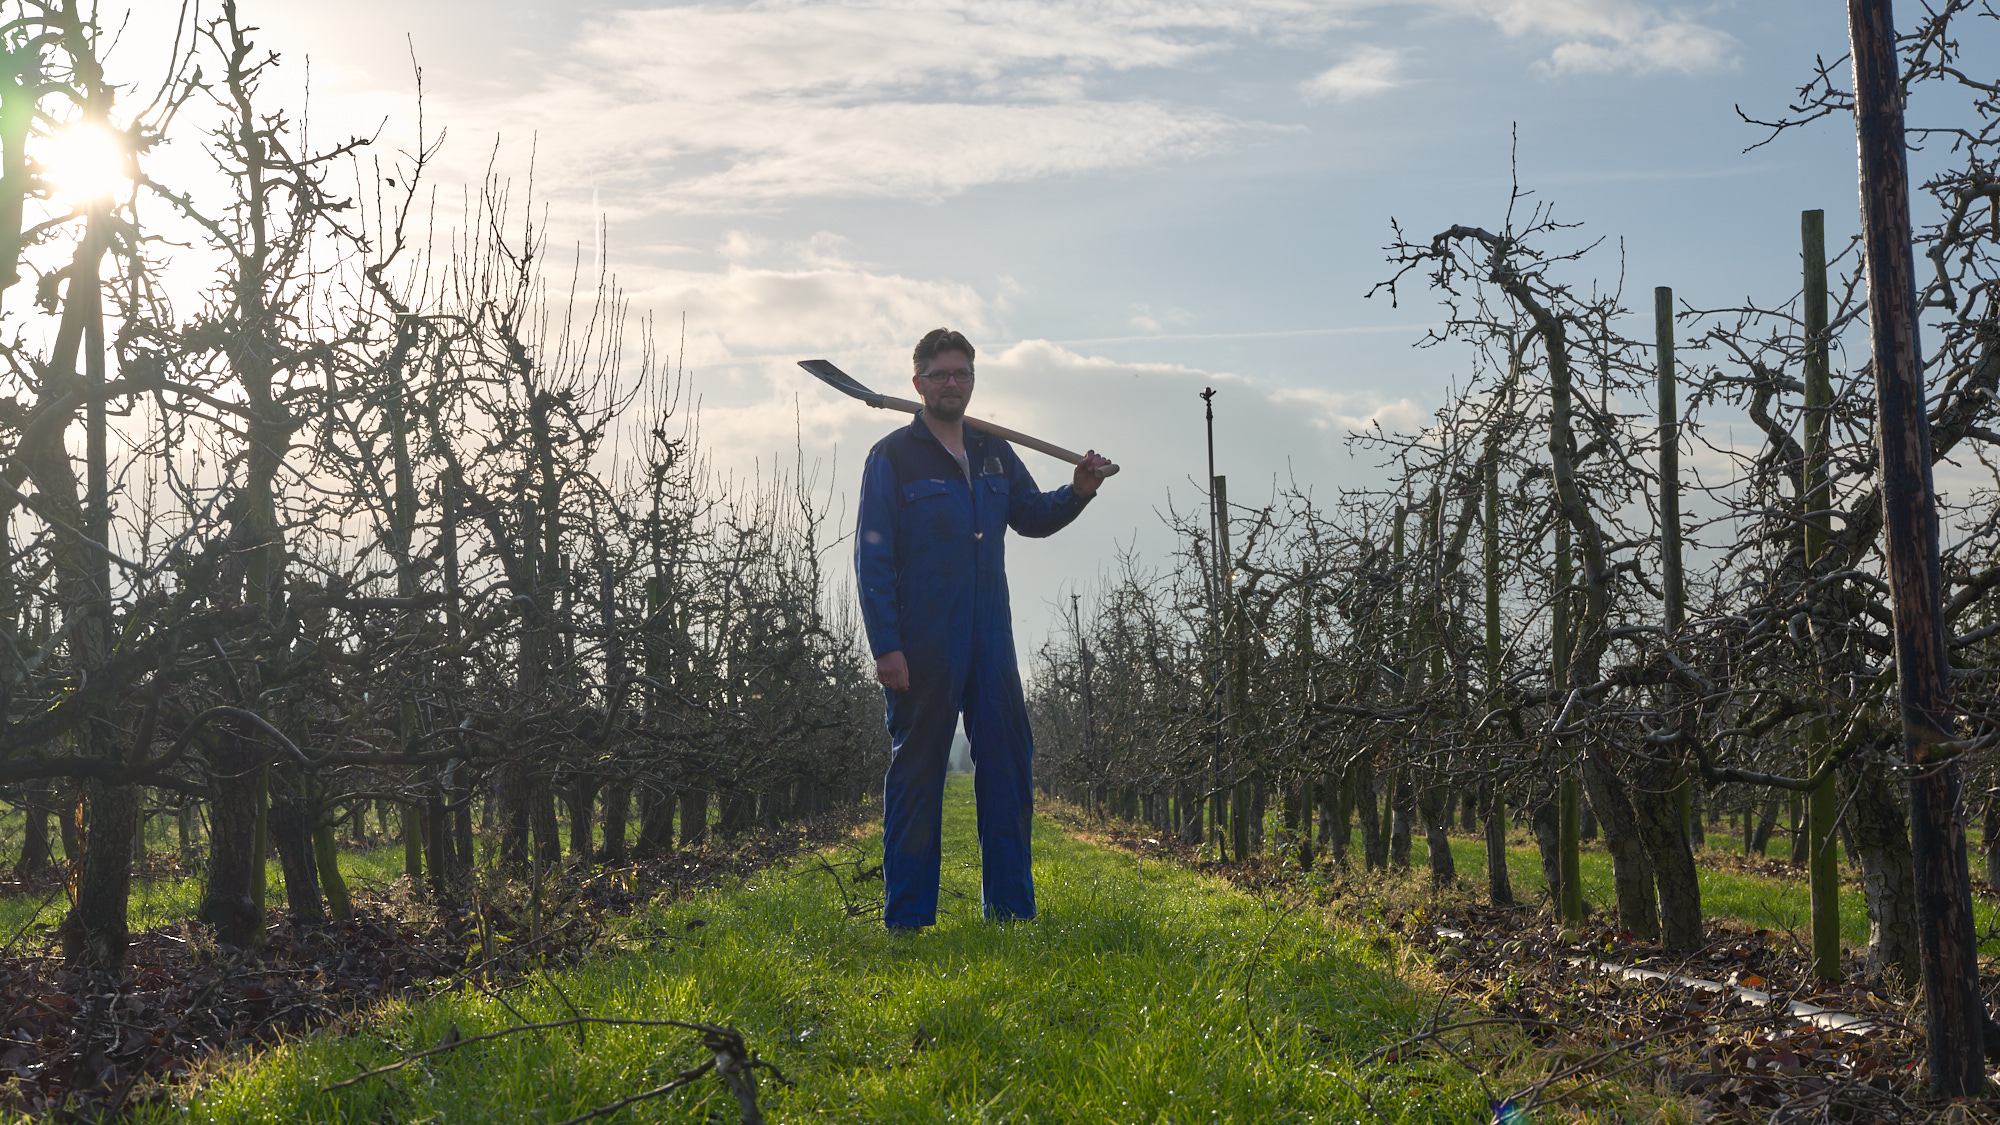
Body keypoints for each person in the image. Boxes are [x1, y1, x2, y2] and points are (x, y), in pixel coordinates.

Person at [855, 328, 1112, 929]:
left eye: (962, 374)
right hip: (921, 643)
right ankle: (909, 919)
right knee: (918, 778)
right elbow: (874, 555)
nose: (952, 384)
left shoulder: (996, 451)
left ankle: (1011, 911)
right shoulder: (892, 456)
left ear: (974, 381)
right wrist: (886, 645)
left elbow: (1030, 517)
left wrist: (1078, 491)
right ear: (916, 382)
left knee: (1007, 769)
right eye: (940, 374)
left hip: (991, 639)